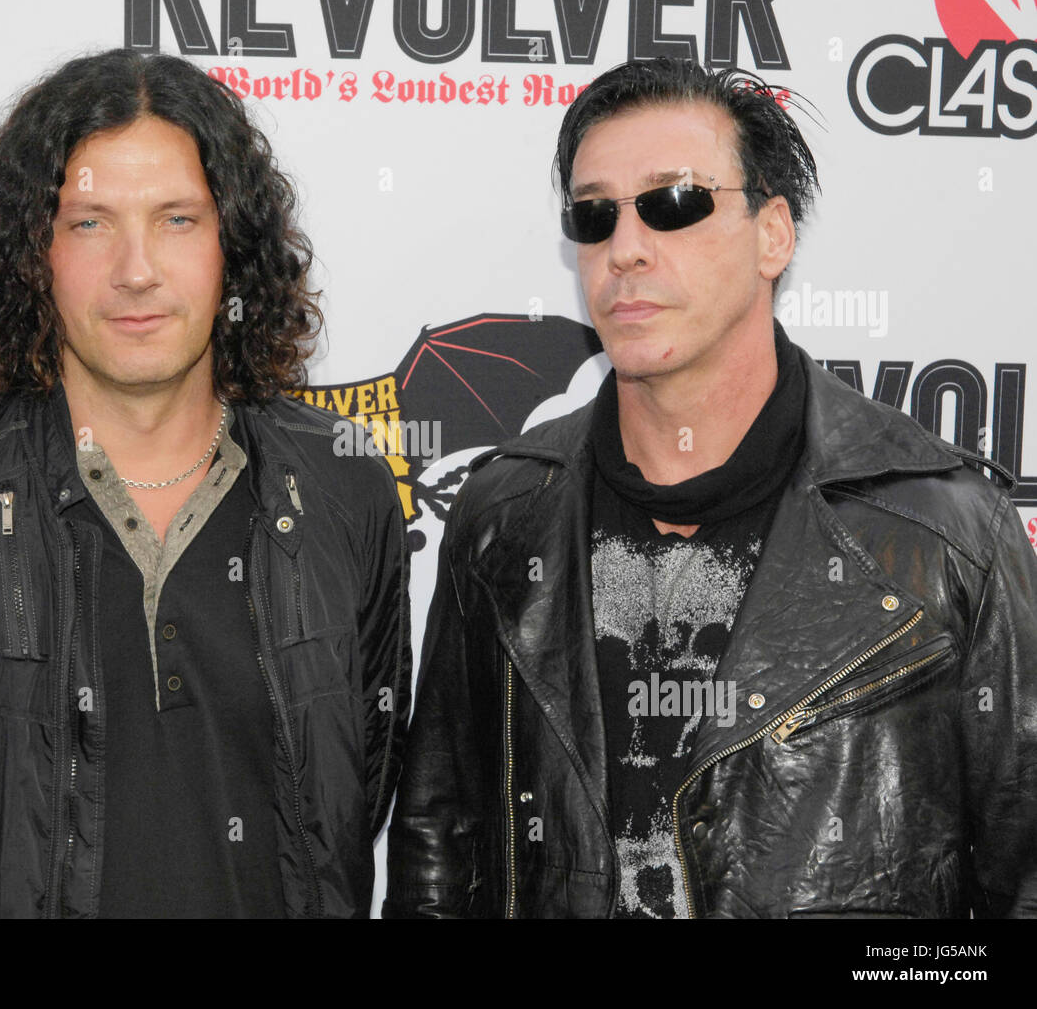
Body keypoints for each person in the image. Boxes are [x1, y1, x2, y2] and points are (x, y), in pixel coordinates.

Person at [384, 57, 1037, 919]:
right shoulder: (504, 515)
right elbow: (441, 842)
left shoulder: (945, 529)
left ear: (774, 234)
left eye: (675, 202)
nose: (626, 248)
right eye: (594, 215)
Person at [0, 49, 411, 919]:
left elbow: (354, 792)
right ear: (33, 254)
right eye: (90, 223)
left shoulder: (344, 490)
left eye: (178, 219)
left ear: (234, 246)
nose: (136, 269)